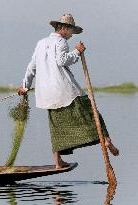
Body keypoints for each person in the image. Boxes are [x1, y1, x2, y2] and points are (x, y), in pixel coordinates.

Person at [18, 14, 119, 169]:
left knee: (56, 127)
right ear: (63, 28)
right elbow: (62, 60)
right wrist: (77, 51)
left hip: (47, 95)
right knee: (91, 112)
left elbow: (32, 66)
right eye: (71, 31)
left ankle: (58, 162)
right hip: (65, 90)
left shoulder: (40, 43)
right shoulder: (61, 42)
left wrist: (25, 85)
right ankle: (106, 139)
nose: (72, 35)